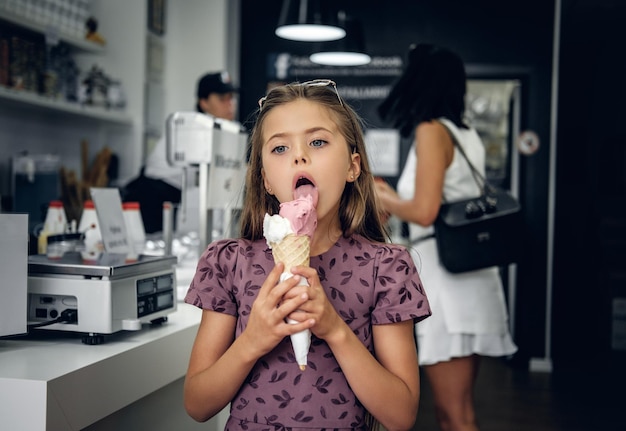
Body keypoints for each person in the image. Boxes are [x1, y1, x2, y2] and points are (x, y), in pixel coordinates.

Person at [183, 79, 432, 430]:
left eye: (317, 142)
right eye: (280, 148)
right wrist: (251, 341)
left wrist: (334, 328)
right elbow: (196, 403)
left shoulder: (387, 268)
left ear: (353, 166)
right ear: (266, 179)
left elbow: (401, 415)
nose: (299, 155)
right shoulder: (228, 262)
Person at [375, 44, 518, 431]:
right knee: (458, 411)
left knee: (453, 414)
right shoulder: (464, 133)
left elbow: (424, 211)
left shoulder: (431, 131)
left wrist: (383, 195)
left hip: (447, 280)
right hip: (471, 274)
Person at [123, 71, 238, 233]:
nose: (230, 104)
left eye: (231, 97)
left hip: (177, 201)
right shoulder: (192, 127)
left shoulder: (223, 130)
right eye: (222, 99)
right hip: (155, 201)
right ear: (204, 102)